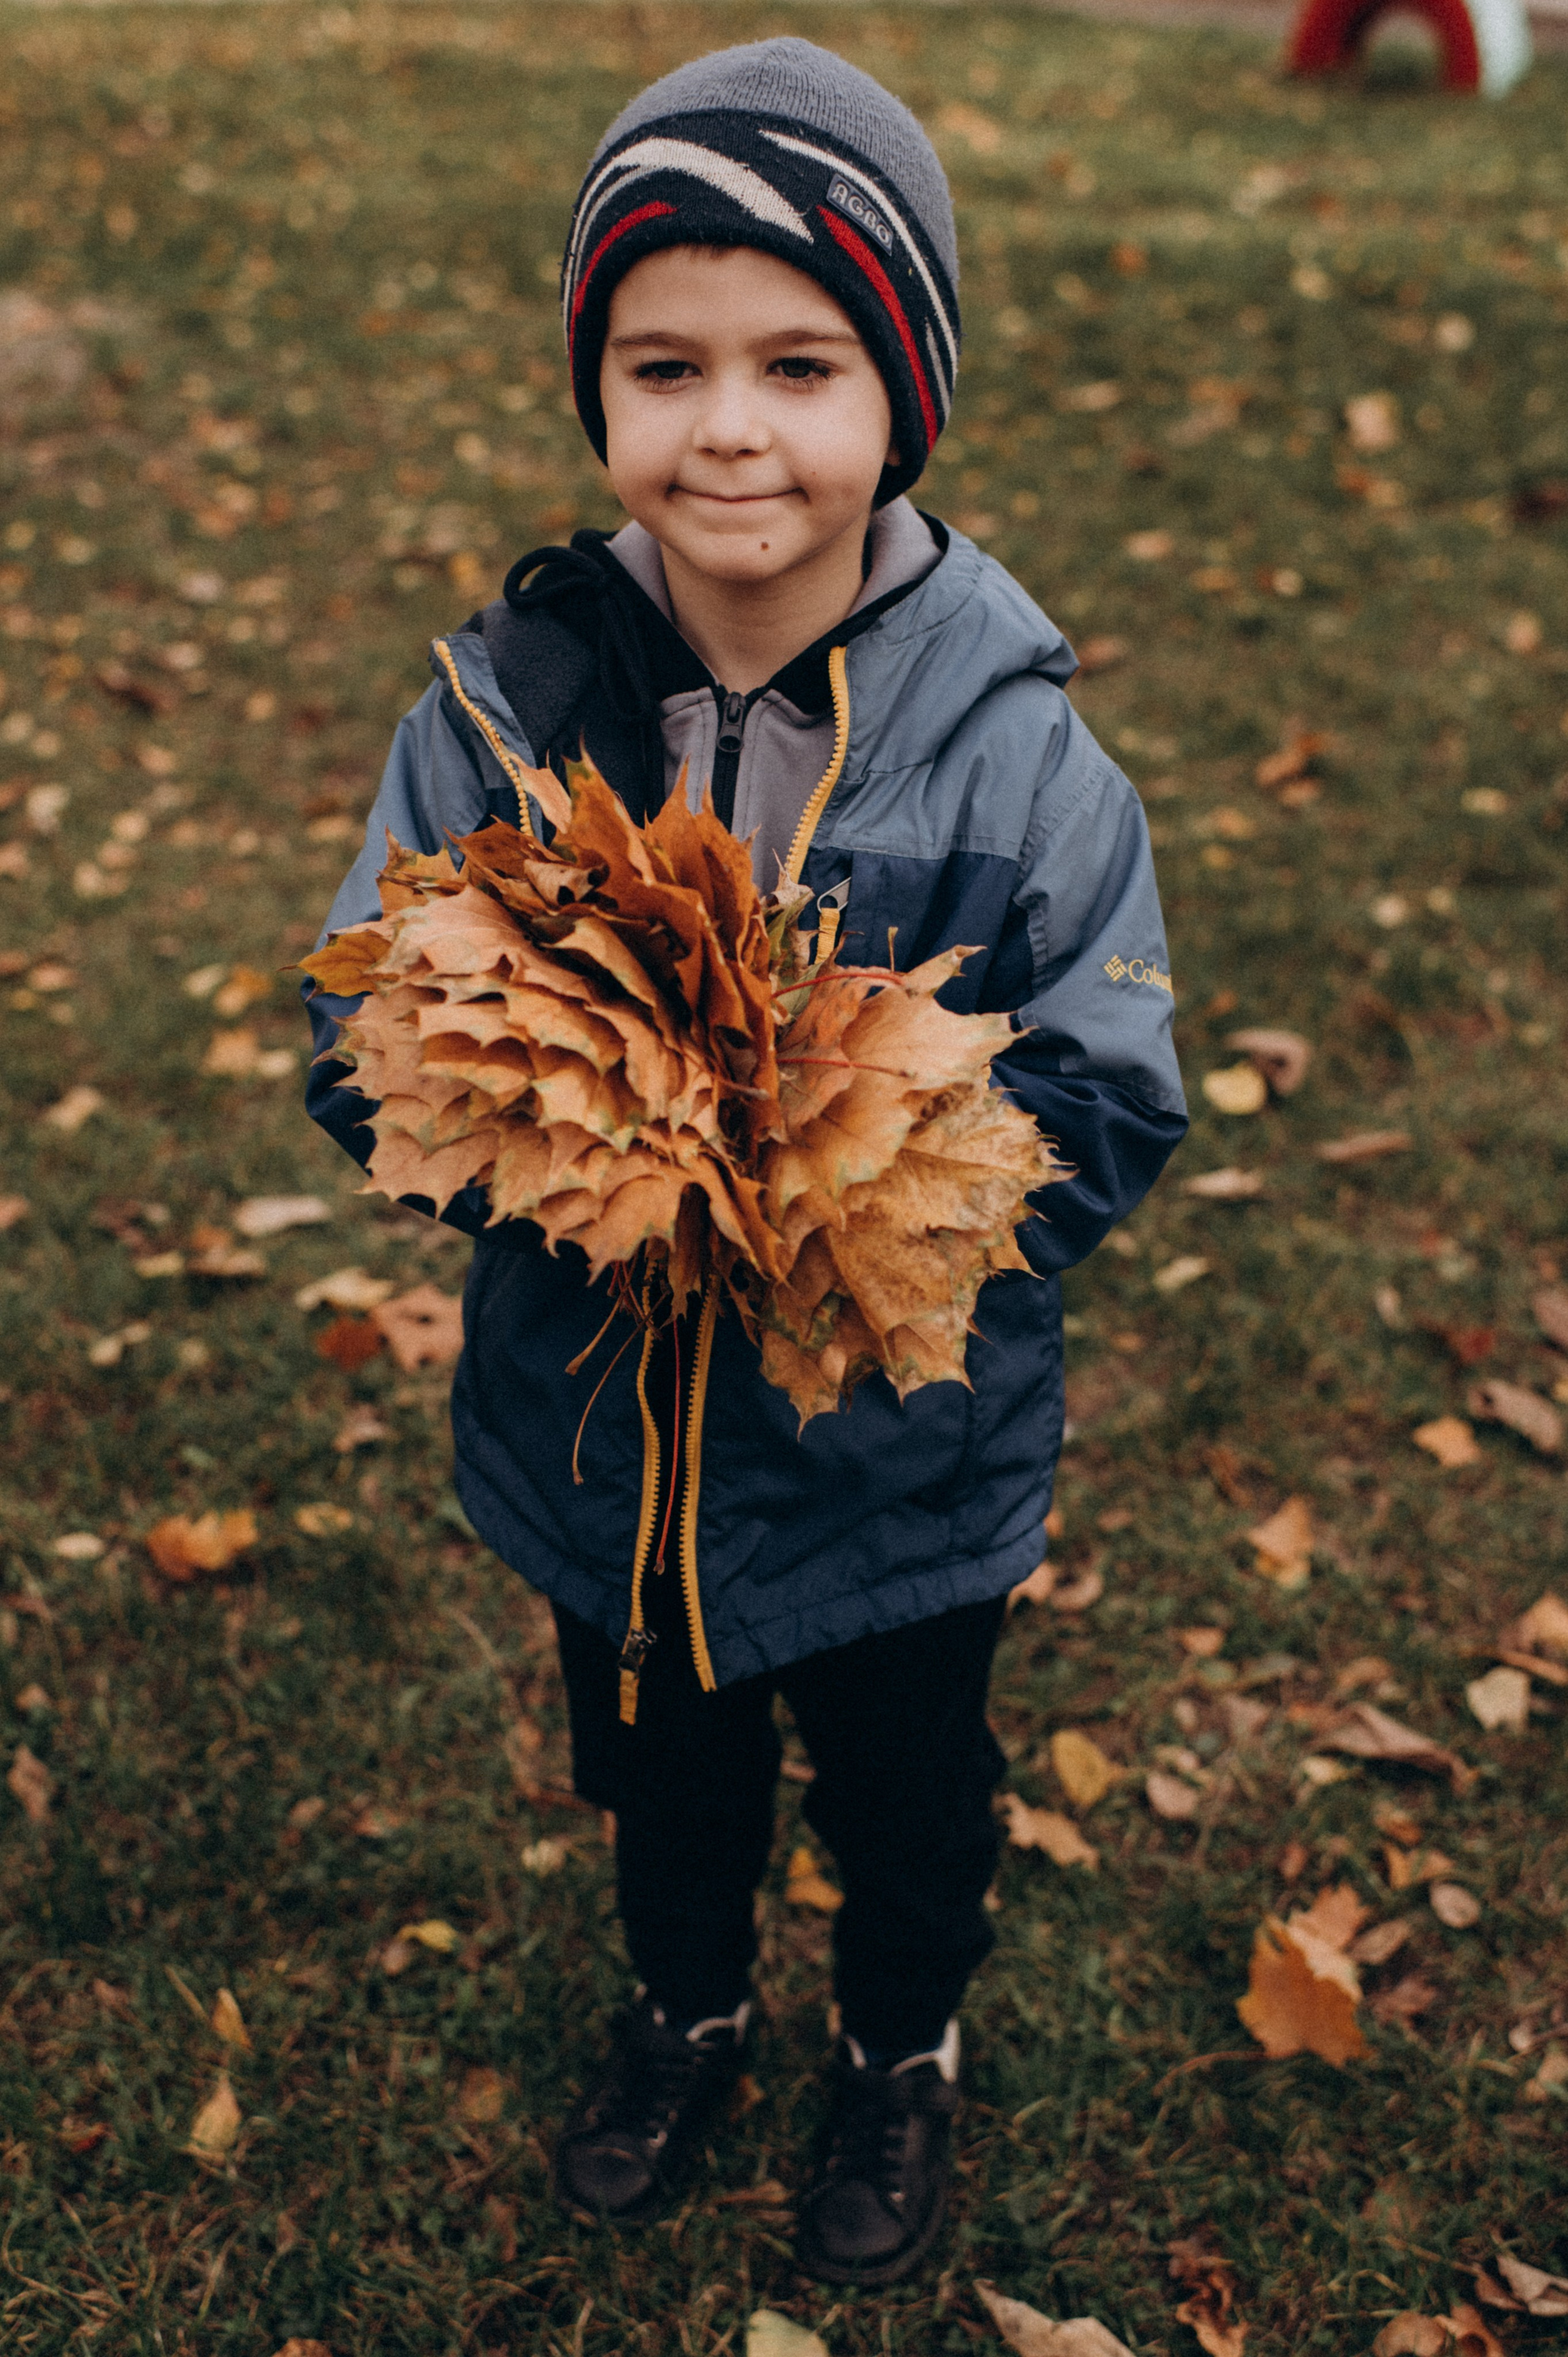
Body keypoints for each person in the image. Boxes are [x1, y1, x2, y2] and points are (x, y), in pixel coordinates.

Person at [304, 36, 1186, 2287]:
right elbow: (365, 1029)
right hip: (601, 1443)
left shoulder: (1020, 762)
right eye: (664, 364)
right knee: (662, 1776)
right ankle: (683, 2009)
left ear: (903, 397)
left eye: (801, 366)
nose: (730, 429)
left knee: (909, 1790)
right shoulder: (501, 711)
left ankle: (899, 2045)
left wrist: (857, 1208)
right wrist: (545, 1142)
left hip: (899, 1467)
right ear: (597, 388)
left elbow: (1108, 1084)